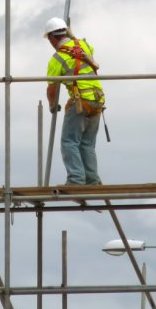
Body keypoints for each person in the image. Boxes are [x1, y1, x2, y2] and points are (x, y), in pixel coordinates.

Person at [44, 17, 105, 185]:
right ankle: (92, 181)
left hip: (81, 102)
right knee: (87, 145)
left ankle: (76, 179)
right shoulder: (83, 46)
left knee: (69, 142)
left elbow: (52, 89)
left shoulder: (57, 58)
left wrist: (51, 105)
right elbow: (85, 50)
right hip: (97, 100)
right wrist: (72, 35)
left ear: (51, 37)